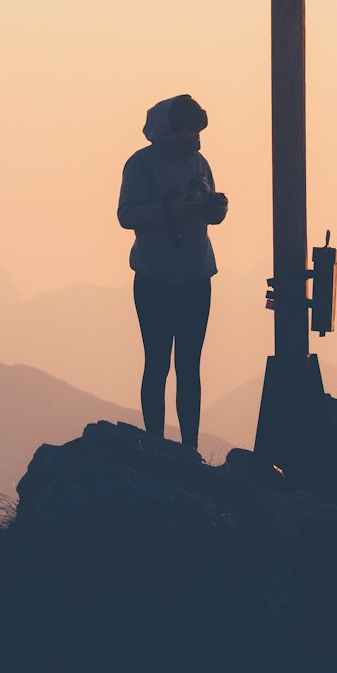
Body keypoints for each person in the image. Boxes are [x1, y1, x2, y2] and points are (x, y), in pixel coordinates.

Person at [117, 95, 228, 449]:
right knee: (158, 365)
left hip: (195, 276)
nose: (195, 136)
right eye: (190, 129)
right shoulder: (141, 165)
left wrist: (215, 210)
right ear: (172, 128)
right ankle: (156, 445)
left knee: (189, 368)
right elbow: (127, 214)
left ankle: (188, 449)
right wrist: (173, 210)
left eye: (198, 129)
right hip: (155, 278)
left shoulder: (200, 162)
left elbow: (204, 206)